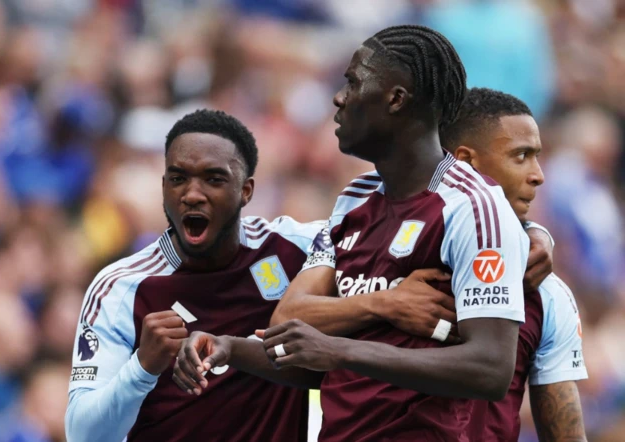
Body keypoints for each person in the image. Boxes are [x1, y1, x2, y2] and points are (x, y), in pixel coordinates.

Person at [175, 25, 530, 441]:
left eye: (354, 82)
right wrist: (230, 348)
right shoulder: (354, 198)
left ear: (396, 99)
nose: (339, 98)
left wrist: (339, 348)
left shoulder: (472, 207)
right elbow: (291, 323)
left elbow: (490, 368)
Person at [66, 109, 328, 442]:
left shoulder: (295, 249)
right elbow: (82, 434)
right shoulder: (122, 287)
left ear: (246, 191)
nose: (192, 194)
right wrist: (142, 368)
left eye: (213, 179)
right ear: (163, 188)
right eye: (178, 178)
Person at [439, 87, 588, 441]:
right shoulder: (381, 250)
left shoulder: (546, 290)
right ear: (465, 161)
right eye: (521, 156)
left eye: (537, 156)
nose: (539, 175)